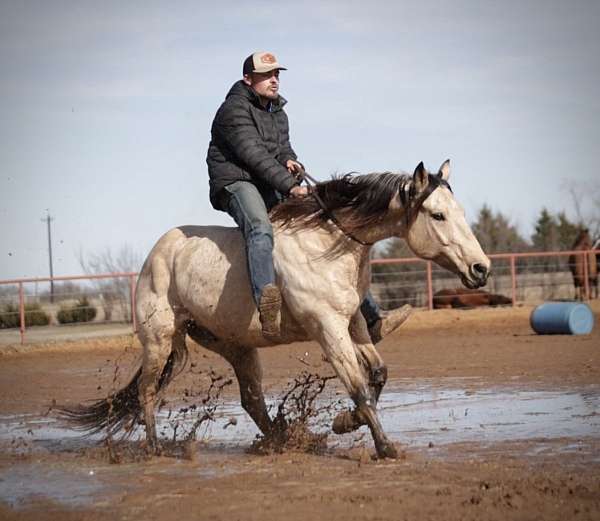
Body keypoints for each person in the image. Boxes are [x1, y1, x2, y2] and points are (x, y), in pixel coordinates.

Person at [206, 51, 410, 342]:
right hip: (236, 181)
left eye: (276, 74)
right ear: (248, 79)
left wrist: (291, 161)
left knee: (321, 225)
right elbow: (254, 156)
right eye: (266, 75)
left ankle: (372, 317)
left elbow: (281, 149)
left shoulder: (278, 112)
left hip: (267, 180)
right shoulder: (233, 111)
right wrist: (290, 186)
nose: (274, 80)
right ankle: (267, 305)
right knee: (260, 229)